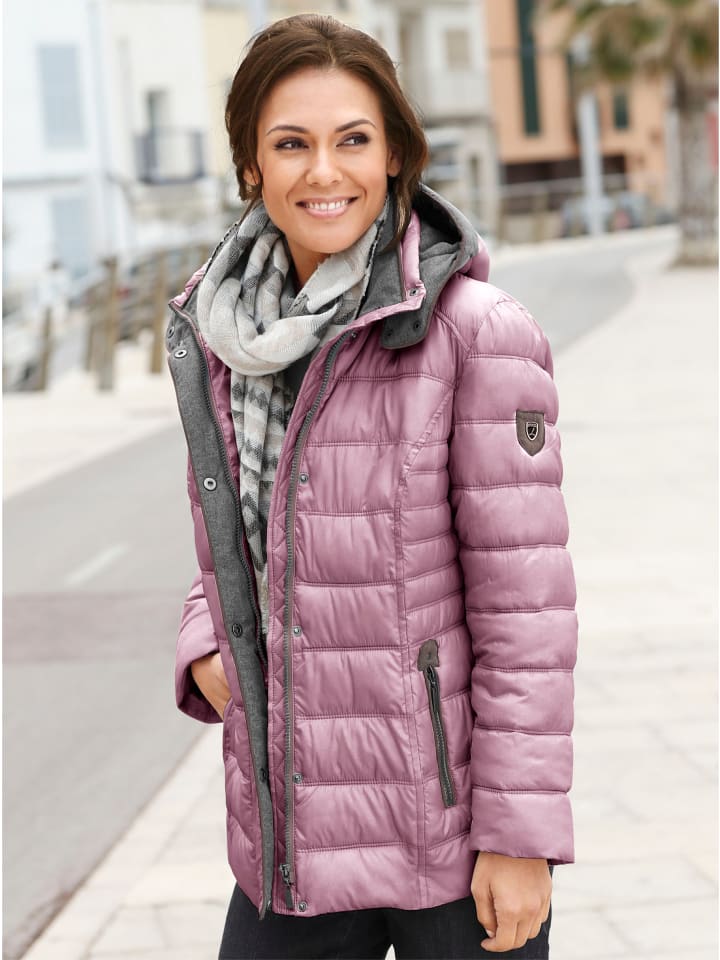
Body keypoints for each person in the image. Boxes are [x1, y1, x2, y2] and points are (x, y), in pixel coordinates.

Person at [166, 13, 577, 960]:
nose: (325, 171)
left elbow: (528, 613)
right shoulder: (223, 338)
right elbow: (238, 539)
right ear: (251, 166)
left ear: (395, 155)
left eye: (352, 140)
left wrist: (519, 839)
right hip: (290, 835)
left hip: (448, 839)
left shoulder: (479, 332)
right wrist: (203, 643)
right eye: (291, 144)